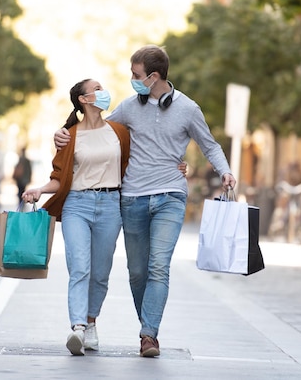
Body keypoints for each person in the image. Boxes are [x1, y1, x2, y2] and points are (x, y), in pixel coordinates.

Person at [54, 45, 236, 357]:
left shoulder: (188, 109)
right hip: (133, 199)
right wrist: (63, 134)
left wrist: (226, 171)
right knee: (137, 272)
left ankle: (148, 335)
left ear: (153, 77)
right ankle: (147, 324)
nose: (131, 79)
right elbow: (97, 129)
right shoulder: (128, 107)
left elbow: (210, 144)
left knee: (158, 267)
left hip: (170, 197)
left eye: (136, 75)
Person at [22, 79, 130, 356]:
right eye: (97, 88)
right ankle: (78, 328)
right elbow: (59, 178)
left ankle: (92, 322)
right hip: (77, 206)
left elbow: (136, 165)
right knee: (79, 267)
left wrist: (175, 166)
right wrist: (39, 190)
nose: (103, 92)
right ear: (83, 99)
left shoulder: (119, 132)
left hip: (110, 205)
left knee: (101, 273)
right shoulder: (69, 136)